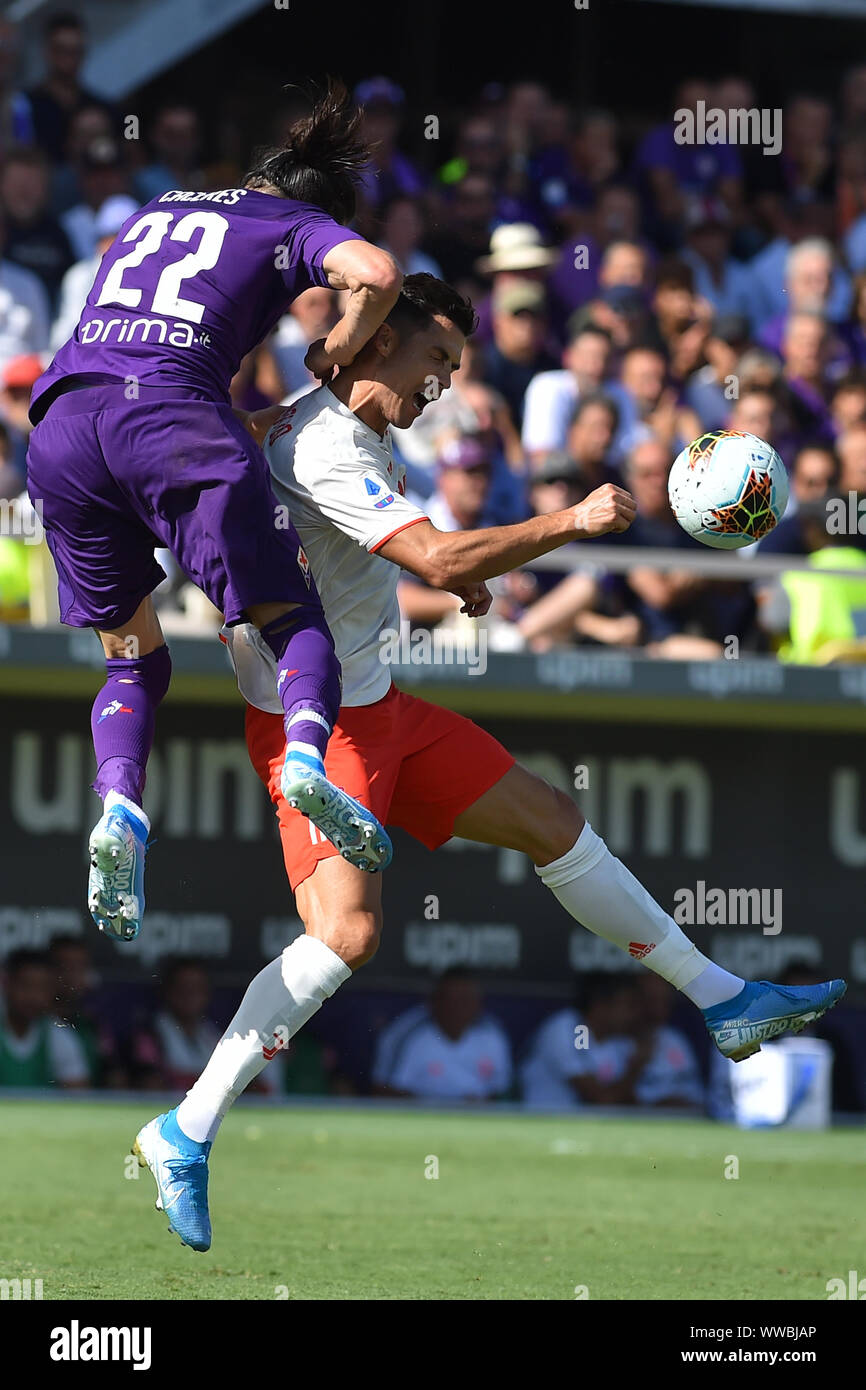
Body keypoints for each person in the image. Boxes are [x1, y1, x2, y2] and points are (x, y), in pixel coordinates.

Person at [131, 272, 845, 1252]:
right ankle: (184, 1126)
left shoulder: (331, 426)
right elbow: (433, 555)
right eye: (436, 362)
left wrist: (456, 576)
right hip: (319, 725)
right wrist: (564, 525)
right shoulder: (329, 442)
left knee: (552, 819)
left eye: (457, 369)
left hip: (380, 704)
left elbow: (381, 547)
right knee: (344, 940)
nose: (445, 385)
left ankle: (724, 1000)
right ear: (382, 347)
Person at [25, 78, 403, 945]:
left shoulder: (161, 205)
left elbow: (145, 347)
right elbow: (378, 273)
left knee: (131, 662)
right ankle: (308, 761)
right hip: (172, 421)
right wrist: (335, 348)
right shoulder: (293, 225)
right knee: (292, 621)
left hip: (65, 427)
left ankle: (119, 807)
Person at [372, 969, 511, 1101]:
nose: (458, 1008)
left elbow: (503, 1092)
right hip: (419, 1119)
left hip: (476, 1119)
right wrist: (430, 1105)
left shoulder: (492, 1034)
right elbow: (382, 1090)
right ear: (435, 1002)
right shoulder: (409, 1034)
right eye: (452, 1000)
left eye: (465, 1000)